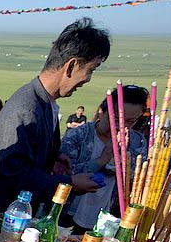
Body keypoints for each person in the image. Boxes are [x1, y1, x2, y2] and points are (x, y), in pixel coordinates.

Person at [0, 17, 109, 214]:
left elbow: (26, 154)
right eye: (91, 70)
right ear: (71, 66)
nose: (88, 80)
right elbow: (15, 174)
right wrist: (69, 183)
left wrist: (53, 157)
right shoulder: (26, 108)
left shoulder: (45, 103)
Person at [62, 85, 148, 231]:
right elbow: (64, 176)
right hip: (69, 214)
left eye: (130, 121)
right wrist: (103, 158)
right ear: (102, 112)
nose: (121, 126)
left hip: (110, 219)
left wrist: (125, 159)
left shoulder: (136, 141)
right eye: (115, 118)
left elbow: (138, 182)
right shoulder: (78, 136)